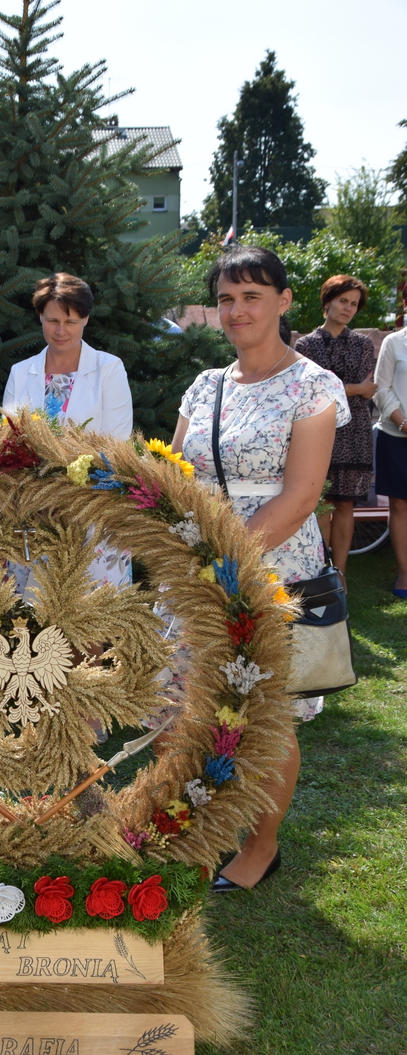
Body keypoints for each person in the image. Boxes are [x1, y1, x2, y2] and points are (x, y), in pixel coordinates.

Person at [171, 246, 349, 891]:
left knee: (267, 719)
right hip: (197, 571)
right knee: (193, 707)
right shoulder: (205, 386)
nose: (237, 310)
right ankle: (195, 828)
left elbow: (301, 497)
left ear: (283, 300)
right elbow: (176, 476)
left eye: (251, 296)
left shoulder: (313, 385)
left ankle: (260, 847)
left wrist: (223, 565)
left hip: (271, 570)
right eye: (226, 299)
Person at [3, 272, 134, 592]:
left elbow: (116, 444)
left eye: (71, 322)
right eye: (52, 321)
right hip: (32, 516)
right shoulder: (20, 373)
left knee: (92, 615)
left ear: (86, 319)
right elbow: (7, 443)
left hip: (92, 513)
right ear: (40, 317)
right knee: (28, 616)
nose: (61, 331)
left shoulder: (109, 369)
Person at [295, 276, 376, 582]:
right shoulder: (306, 345)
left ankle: (340, 576)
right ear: (328, 301)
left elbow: (365, 387)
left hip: (355, 433)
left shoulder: (363, 344)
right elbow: (314, 389)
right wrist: (355, 388)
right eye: (343, 301)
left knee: (345, 504)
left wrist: (349, 387)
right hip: (318, 432)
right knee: (322, 504)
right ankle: (321, 574)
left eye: (354, 304)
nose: (348, 308)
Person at [372, 327, 407, 597]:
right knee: (400, 505)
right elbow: (381, 388)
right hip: (396, 435)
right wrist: (403, 422)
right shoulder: (393, 342)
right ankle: (404, 572)